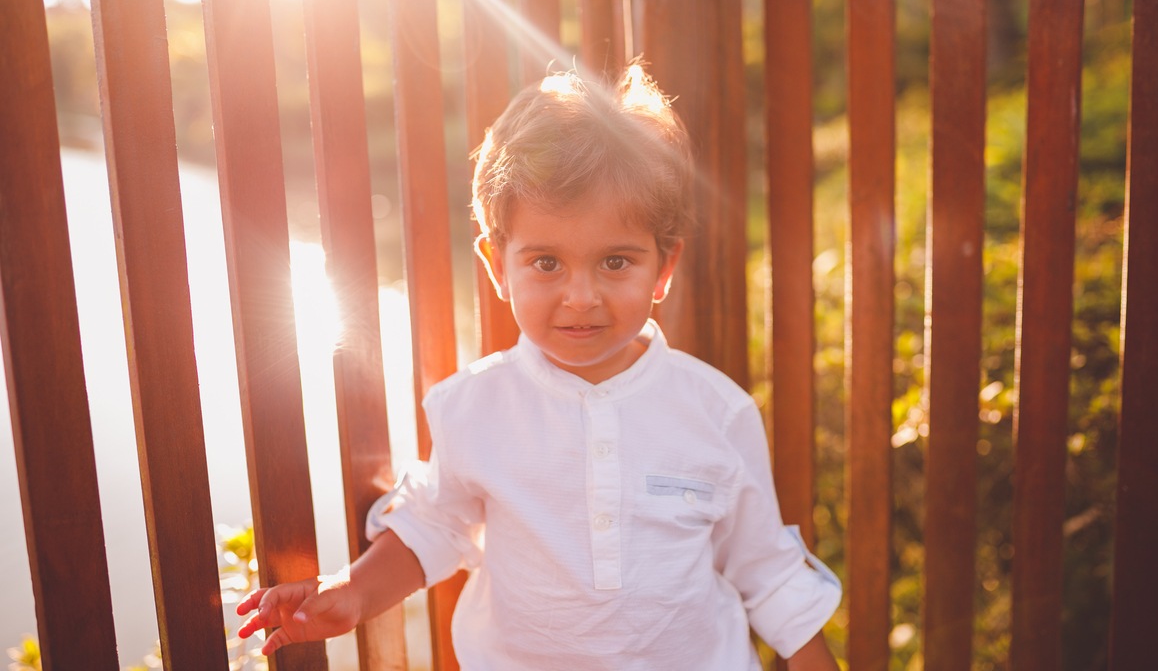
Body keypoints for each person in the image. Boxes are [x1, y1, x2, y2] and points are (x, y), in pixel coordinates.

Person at [236, 66, 842, 669]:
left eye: (615, 261)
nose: (581, 297)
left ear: (663, 268)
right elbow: (436, 526)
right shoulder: (472, 408)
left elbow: (768, 571)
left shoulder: (717, 412)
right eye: (547, 263)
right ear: (498, 266)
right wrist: (353, 592)